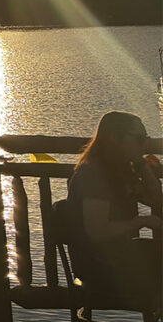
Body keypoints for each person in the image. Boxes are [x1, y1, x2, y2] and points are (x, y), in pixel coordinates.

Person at [66, 111, 162, 306]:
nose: (144, 144)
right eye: (138, 139)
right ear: (114, 138)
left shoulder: (119, 171)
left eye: (146, 139)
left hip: (117, 258)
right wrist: (142, 221)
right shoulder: (94, 174)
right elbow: (97, 231)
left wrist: (142, 164)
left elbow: (156, 201)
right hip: (98, 267)